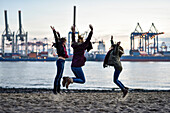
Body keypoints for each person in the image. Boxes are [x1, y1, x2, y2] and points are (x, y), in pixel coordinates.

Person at [50, 26, 69, 94]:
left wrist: (59, 35)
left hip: (63, 61)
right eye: (65, 42)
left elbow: (58, 38)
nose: (65, 43)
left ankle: (58, 90)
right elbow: (56, 39)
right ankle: (55, 90)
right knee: (58, 76)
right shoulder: (59, 45)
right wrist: (54, 31)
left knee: (60, 76)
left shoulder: (63, 46)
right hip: (60, 61)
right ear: (63, 42)